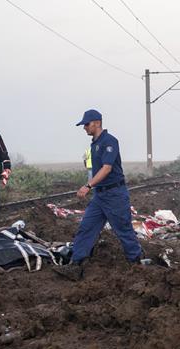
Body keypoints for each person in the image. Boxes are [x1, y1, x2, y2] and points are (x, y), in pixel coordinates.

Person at [56, 109, 143, 281]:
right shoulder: (94, 144)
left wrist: (88, 185)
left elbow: (107, 168)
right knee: (86, 227)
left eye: (86, 124)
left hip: (114, 194)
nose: (84, 128)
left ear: (96, 123)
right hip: (100, 196)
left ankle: (137, 264)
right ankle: (76, 265)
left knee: (123, 230)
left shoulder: (109, 141)